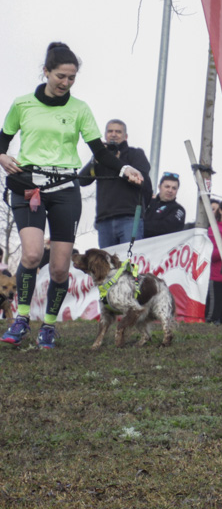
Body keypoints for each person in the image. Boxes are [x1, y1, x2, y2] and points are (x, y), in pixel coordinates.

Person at [0, 42, 144, 348]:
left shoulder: (79, 109)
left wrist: (124, 169)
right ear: (46, 72)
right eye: (60, 76)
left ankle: (48, 326)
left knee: (61, 267)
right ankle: (22, 319)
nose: (66, 83)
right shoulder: (23, 104)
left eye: (72, 78)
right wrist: (2, 156)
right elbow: (3, 140)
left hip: (65, 189)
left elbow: (100, 153)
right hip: (28, 186)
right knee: (32, 254)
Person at [78, 119, 153, 247]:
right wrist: (96, 158)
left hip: (129, 217)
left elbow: (141, 180)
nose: (113, 134)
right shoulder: (101, 158)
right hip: (104, 220)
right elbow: (82, 180)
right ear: (105, 135)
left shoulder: (135, 154)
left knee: (129, 261)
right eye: (110, 131)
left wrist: (118, 164)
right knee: (107, 265)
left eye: (118, 132)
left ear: (126, 136)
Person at [143, 172, 187, 238]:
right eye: (167, 187)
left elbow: (166, 227)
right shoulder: (148, 202)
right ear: (159, 187)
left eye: (174, 188)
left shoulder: (178, 209)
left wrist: (142, 226)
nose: (170, 190)